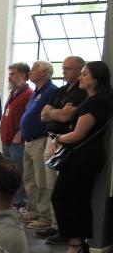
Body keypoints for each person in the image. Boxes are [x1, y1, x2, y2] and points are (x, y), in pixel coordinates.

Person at [49, 61, 113, 253]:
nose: (80, 77)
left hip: (84, 157)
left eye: (85, 74)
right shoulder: (93, 99)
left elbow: (78, 134)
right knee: (75, 199)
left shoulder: (98, 101)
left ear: (97, 78)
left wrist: (58, 138)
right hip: (83, 156)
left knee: (66, 198)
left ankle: (76, 244)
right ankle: (78, 243)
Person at [31, 56, 86, 237]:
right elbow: (43, 116)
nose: (64, 72)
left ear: (80, 70)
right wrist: (59, 112)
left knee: (61, 187)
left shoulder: (82, 92)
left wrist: (55, 113)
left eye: (68, 68)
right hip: (51, 139)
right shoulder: (60, 91)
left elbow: (65, 117)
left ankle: (64, 228)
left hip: (67, 141)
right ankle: (56, 225)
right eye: (63, 68)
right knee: (50, 184)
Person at [18, 61, 58, 237]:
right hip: (29, 140)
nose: (30, 72)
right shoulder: (37, 92)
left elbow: (49, 115)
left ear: (43, 74)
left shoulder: (51, 90)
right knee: (29, 179)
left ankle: (45, 216)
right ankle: (33, 210)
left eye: (33, 69)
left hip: (40, 139)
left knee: (41, 179)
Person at [0, 63, 32, 208]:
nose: (9, 77)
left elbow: (29, 117)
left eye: (13, 74)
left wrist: (20, 133)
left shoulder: (28, 94)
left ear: (23, 75)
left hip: (17, 141)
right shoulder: (13, 93)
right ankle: (12, 201)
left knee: (18, 172)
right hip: (7, 139)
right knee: (9, 173)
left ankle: (20, 202)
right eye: (10, 74)